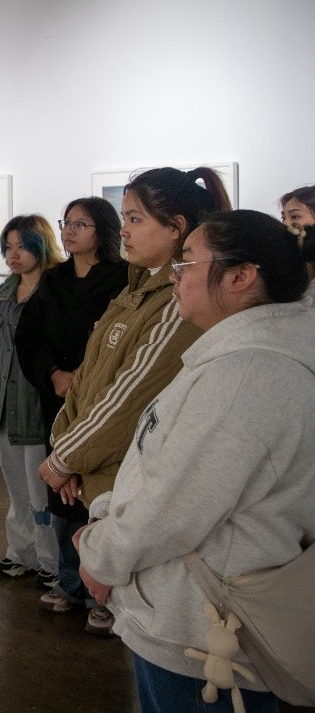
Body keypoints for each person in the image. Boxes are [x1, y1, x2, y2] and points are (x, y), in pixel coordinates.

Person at [76, 209, 315, 711]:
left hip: (203, 638)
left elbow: (172, 508)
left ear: (239, 276)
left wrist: (99, 554)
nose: (175, 276)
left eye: (186, 262)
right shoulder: (242, 357)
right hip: (196, 621)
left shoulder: (247, 375)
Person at [38, 166, 231, 636]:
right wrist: (66, 449)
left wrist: (65, 458)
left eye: (135, 218)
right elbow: (90, 377)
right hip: (99, 472)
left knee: (150, 629)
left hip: (129, 481)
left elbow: (130, 394)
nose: (123, 229)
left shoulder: (177, 298)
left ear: (176, 227)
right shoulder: (137, 284)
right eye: (124, 217)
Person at [14, 197, 128, 612]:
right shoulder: (54, 279)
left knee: (100, 490)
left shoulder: (122, 278)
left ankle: (105, 594)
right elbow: (30, 335)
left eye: (81, 224)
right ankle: (70, 581)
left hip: (106, 399)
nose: (69, 231)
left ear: (103, 230)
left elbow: (123, 341)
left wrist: (87, 376)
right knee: (62, 487)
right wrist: (54, 374)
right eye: (67, 223)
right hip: (59, 398)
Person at [0, 215, 63, 586]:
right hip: (6, 404)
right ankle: (20, 553)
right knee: (17, 489)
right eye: (8, 247)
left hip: (39, 406)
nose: (13, 254)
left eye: (22, 246)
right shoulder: (4, 293)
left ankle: (50, 561)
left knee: (41, 492)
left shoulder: (56, 288)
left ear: (40, 245)